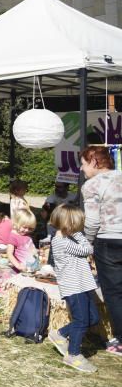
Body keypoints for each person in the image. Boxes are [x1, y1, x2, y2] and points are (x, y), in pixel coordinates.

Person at [47, 204, 101, 372]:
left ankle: (61, 334)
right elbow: (88, 249)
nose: (80, 227)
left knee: (93, 318)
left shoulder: (67, 239)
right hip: (74, 287)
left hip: (82, 285)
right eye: (77, 224)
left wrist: (74, 233)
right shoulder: (61, 242)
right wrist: (78, 234)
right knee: (81, 321)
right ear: (69, 224)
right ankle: (73, 355)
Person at [80, 145, 122, 357]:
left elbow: (93, 220)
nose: (81, 168)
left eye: (84, 163)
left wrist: (86, 244)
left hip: (108, 240)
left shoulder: (91, 185)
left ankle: (121, 339)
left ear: (94, 162)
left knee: (114, 293)